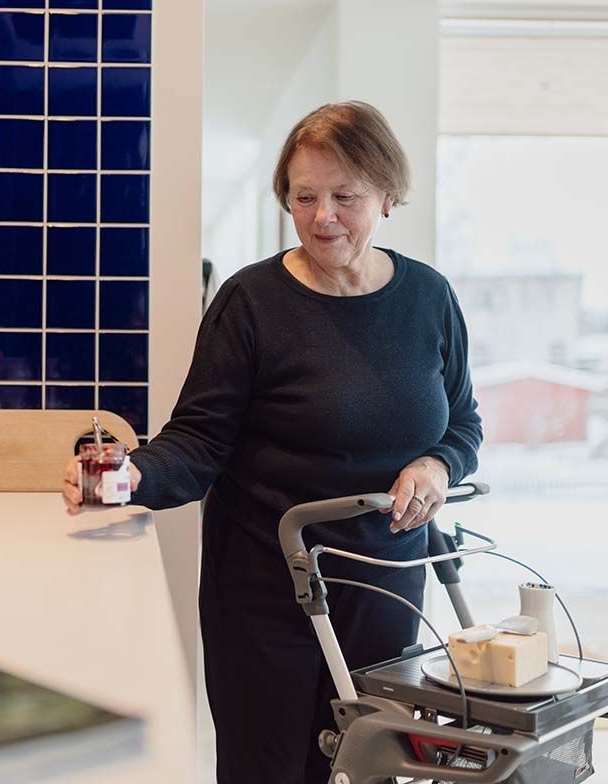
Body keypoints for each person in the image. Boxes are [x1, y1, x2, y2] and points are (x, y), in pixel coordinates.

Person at [62, 101, 481, 784]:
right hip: (265, 589)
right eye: (303, 196)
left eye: (344, 197)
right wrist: (117, 479)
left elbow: (462, 423)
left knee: (367, 768)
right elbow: (197, 443)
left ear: (387, 196)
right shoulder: (250, 302)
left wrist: (437, 464)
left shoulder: (427, 298)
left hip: (385, 588)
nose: (322, 217)